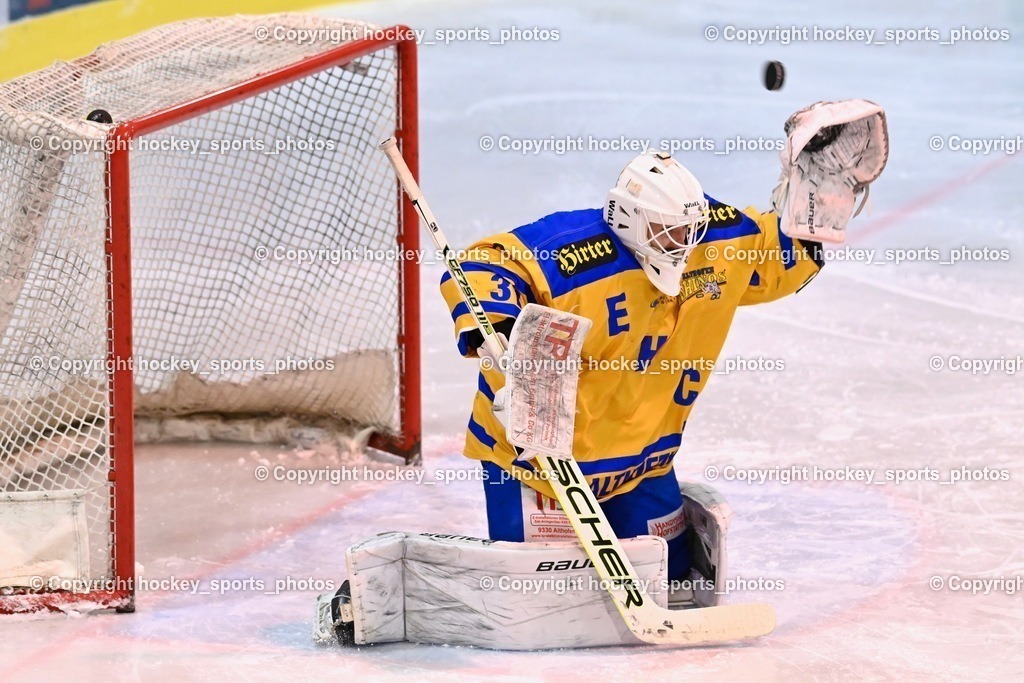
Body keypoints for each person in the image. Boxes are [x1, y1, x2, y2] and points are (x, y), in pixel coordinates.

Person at [439, 149, 824, 584]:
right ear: (628, 219)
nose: (681, 243)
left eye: (689, 230)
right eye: (666, 231)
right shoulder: (573, 254)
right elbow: (481, 264)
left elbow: (778, 253)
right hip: (538, 467)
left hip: (643, 463)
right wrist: (502, 334)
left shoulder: (712, 246)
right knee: (545, 589)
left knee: (671, 581)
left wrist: (821, 199)